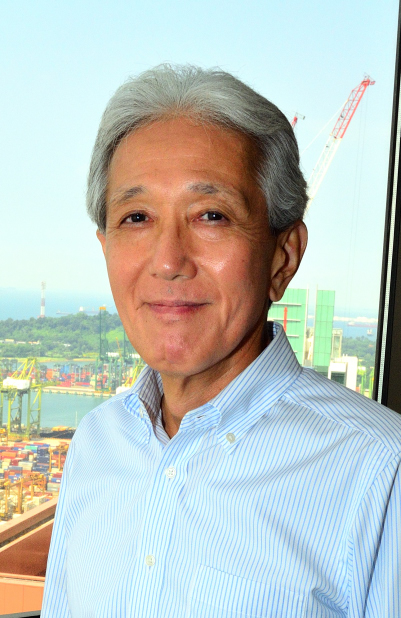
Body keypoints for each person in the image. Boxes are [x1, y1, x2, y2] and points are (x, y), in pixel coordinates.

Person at [41, 65, 401, 618]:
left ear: (283, 257)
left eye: (212, 215)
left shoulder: (380, 469)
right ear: (105, 247)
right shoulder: (96, 444)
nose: (168, 260)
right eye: (136, 217)